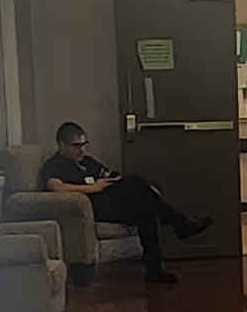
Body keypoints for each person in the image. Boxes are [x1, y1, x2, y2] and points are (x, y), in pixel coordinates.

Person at [40, 122, 211, 286]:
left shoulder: (87, 161)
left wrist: (118, 180)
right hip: (91, 208)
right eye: (76, 146)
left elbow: (110, 174)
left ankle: (155, 268)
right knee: (137, 182)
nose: (82, 150)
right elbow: (55, 186)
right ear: (62, 145)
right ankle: (179, 224)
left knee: (145, 208)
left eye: (84, 144)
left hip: (112, 201)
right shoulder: (55, 165)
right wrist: (92, 187)